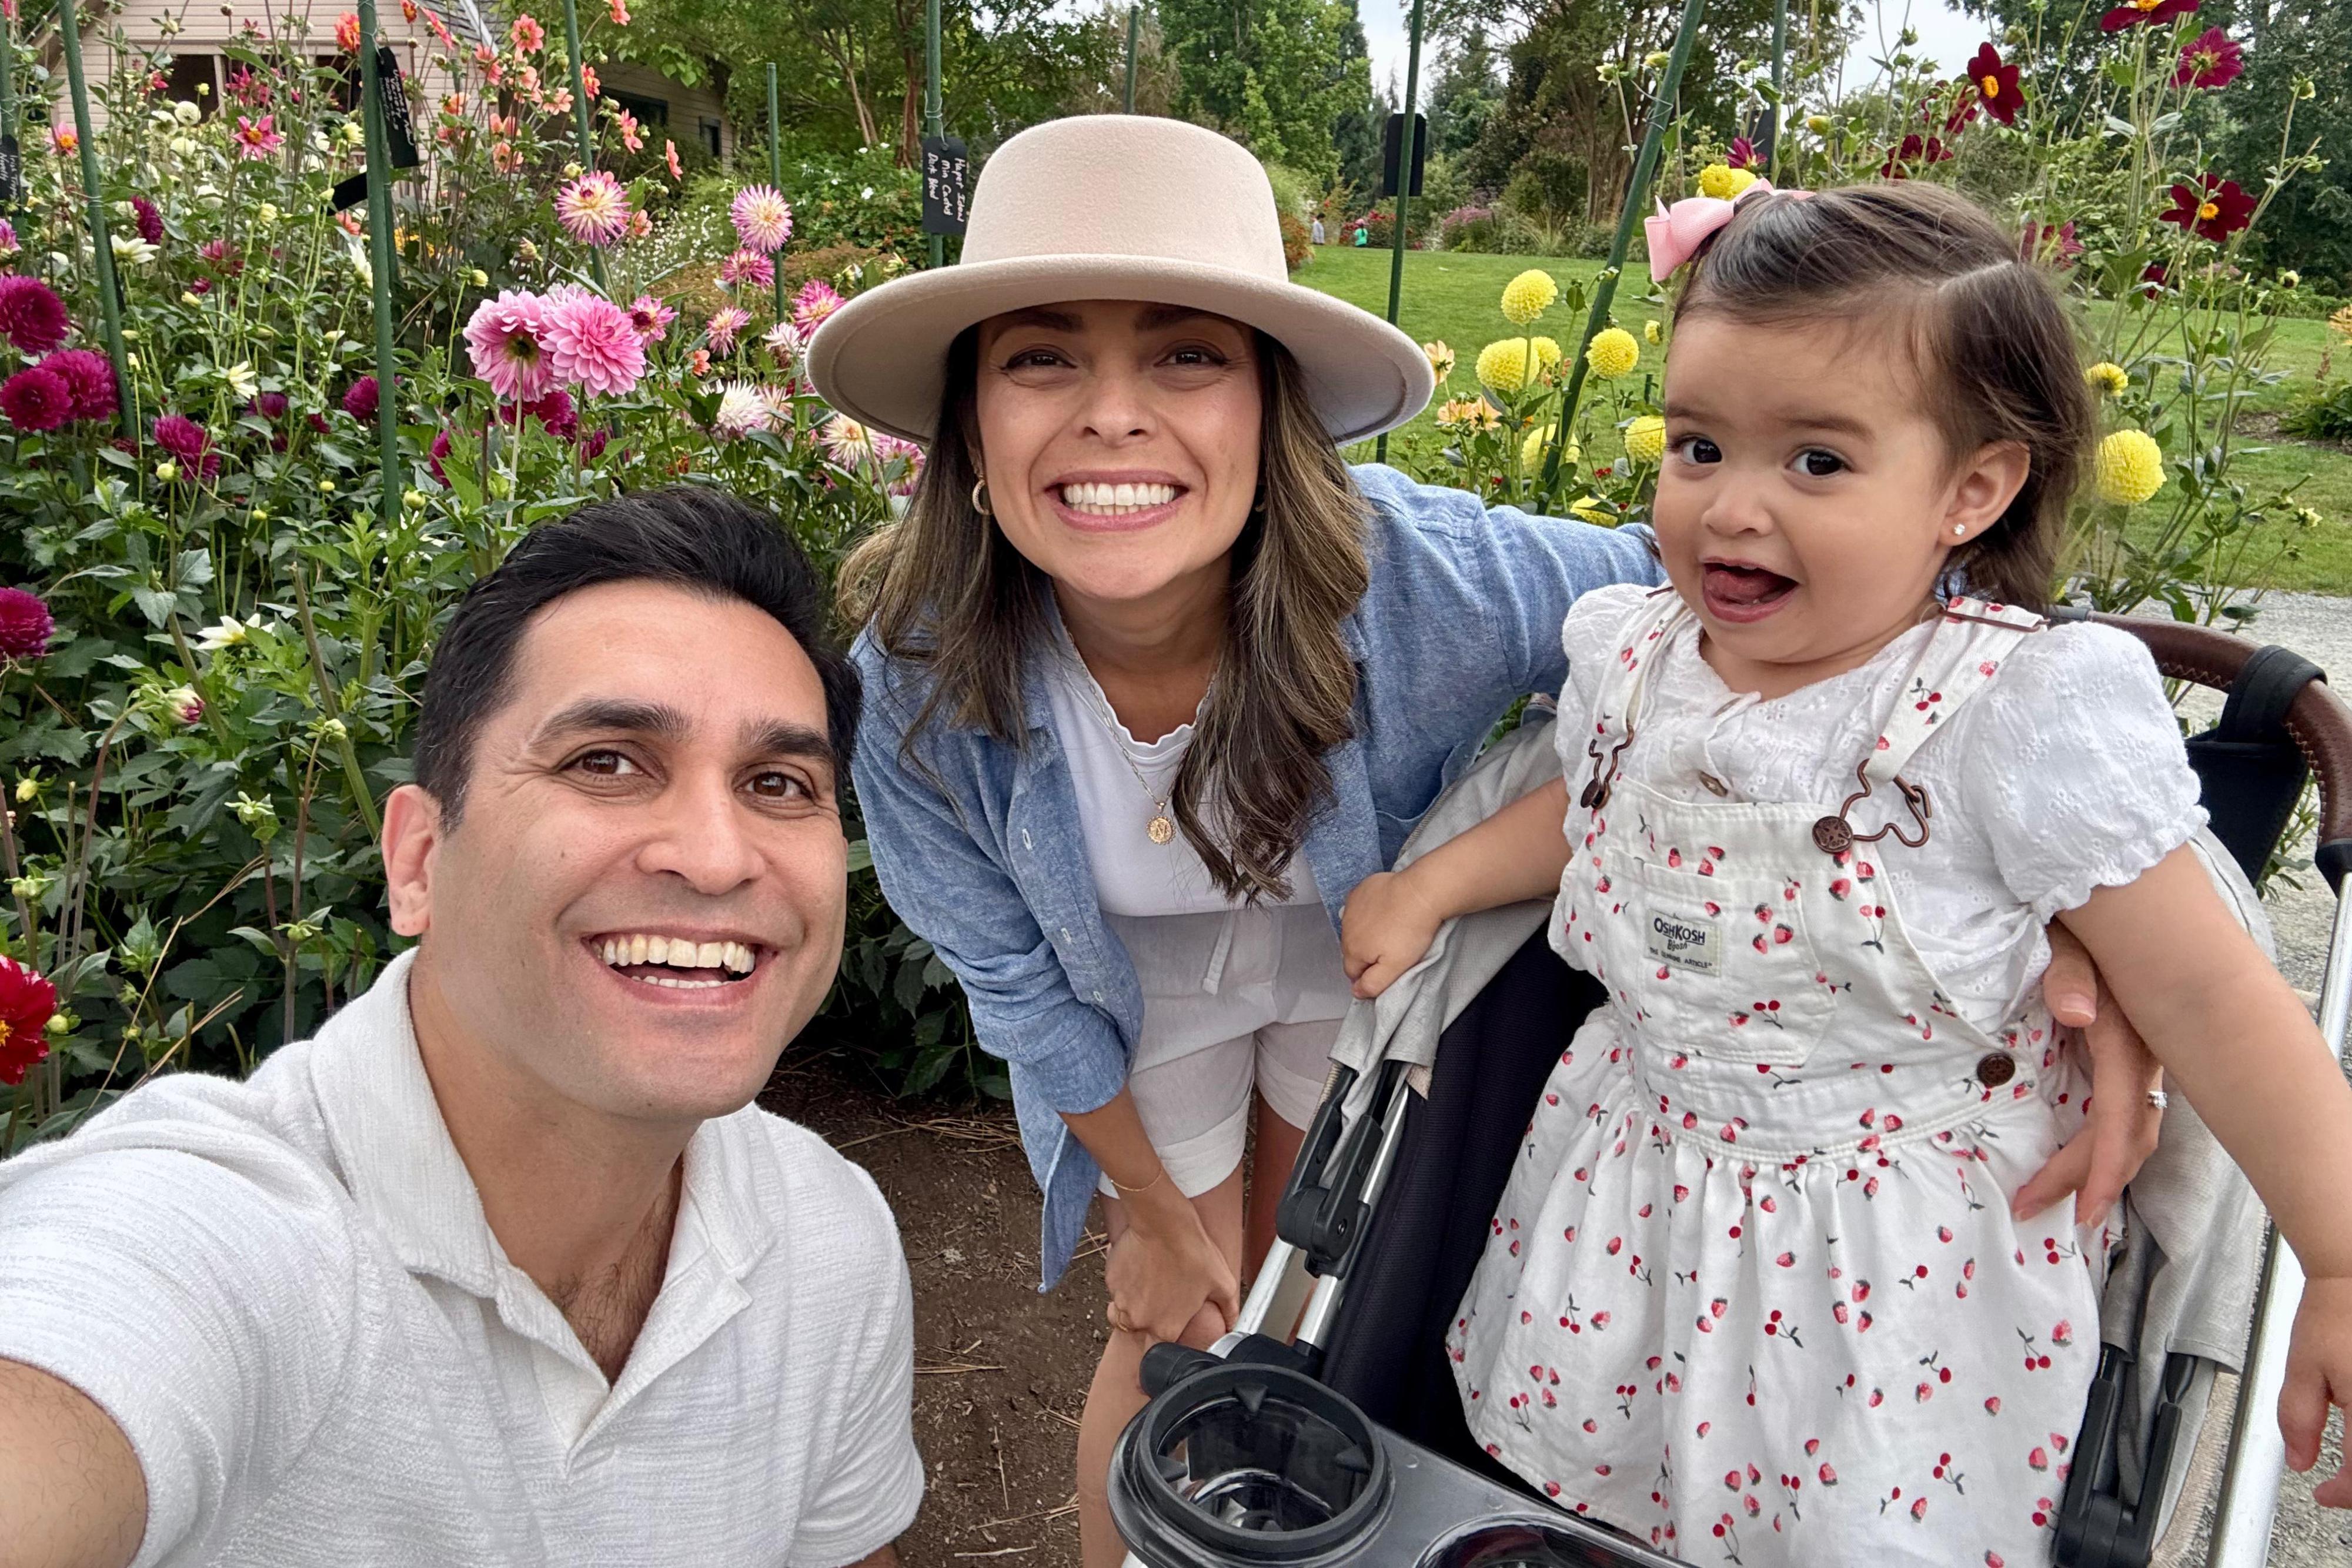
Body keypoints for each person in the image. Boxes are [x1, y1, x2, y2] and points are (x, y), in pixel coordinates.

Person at [806, 116, 2164, 1568]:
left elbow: (1824, 589)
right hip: (1129, 988)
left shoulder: (1421, 580)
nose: (1112, 415)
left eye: (1185, 354)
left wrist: (2055, 888)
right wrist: (1141, 1204)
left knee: (1300, 1296)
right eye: (1040, 358)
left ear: (1270, 403)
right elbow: (1014, 979)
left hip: (1359, 939)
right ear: (970, 424)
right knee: (1170, 1317)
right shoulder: (920, 674)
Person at [1340, 180, 2352, 1565]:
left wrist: (2338, 1253)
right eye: (1697, 445)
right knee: (1612, 1504)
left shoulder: (2007, 713)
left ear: (1972, 488)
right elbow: (1595, 812)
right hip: (1646, 1188)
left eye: (1815, 461)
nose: (1730, 505)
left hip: (1889, 1262)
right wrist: (1437, 880)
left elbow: (2212, 997)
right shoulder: (1632, 654)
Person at [0, 490, 922, 1568]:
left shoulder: (830, 1237)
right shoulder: (220, 1237)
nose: (717, 857)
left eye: (778, 782)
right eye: (607, 762)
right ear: (419, 861)